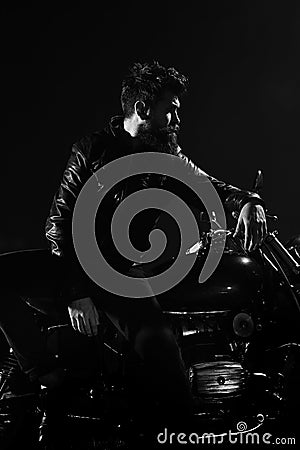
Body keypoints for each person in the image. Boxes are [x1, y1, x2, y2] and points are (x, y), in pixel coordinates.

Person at [0, 61, 267, 425]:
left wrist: (250, 201)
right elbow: (59, 225)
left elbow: (210, 187)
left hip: (121, 273)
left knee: (163, 357)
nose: (176, 118)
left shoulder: (166, 159)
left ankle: (176, 428)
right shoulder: (92, 149)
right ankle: (43, 374)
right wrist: (76, 292)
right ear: (142, 109)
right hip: (73, 266)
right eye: (170, 109)